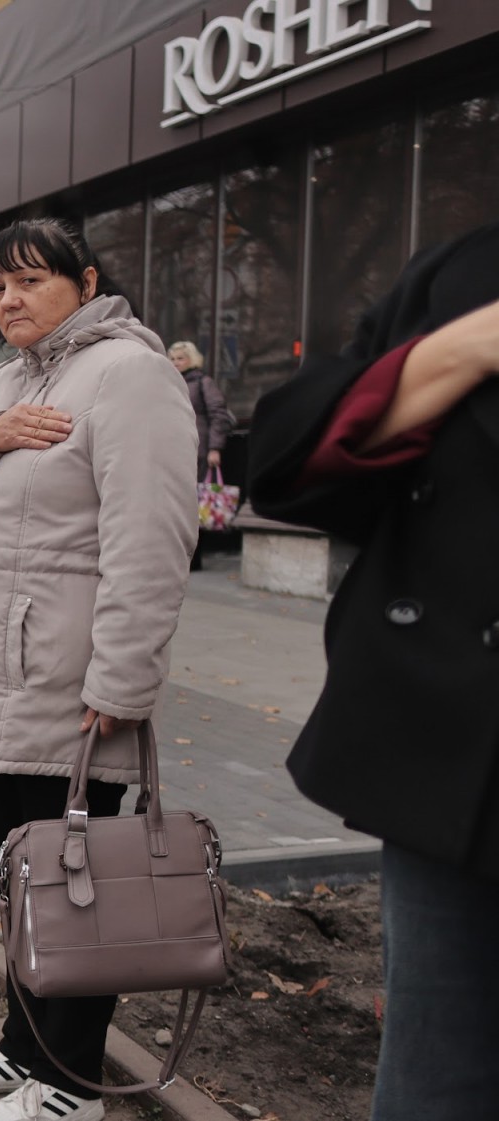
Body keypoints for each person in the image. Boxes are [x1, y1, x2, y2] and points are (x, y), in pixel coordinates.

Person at [0, 218, 196, 1121]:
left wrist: (121, 681)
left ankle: (70, 1083)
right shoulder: (7, 375)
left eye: (32, 281)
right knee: (19, 871)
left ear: (87, 281)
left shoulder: (129, 374)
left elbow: (150, 540)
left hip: (67, 682)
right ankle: (21, 1048)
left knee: (79, 884)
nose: (11, 299)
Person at [245, 221, 499, 1121]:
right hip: (454, 769)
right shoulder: (467, 272)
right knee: (439, 1083)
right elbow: (280, 458)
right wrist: (462, 347)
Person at [170, 341, 231, 570]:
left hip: (199, 450)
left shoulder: (203, 382)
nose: (176, 363)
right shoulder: (169, 381)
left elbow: (218, 414)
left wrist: (215, 448)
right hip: (174, 449)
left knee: (195, 504)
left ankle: (194, 559)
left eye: (180, 358)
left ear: (192, 359)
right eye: (173, 358)